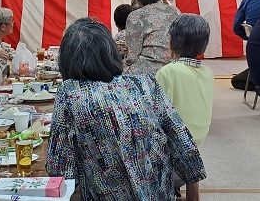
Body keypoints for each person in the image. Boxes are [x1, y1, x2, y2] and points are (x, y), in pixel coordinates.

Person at [46, 18, 206, 201]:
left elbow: (59, 167)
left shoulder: (70, 92)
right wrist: (193, 196)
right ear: (111, 52)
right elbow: (182, 140)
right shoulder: (145, 83)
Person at [156, 14, 214, 147]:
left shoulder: (168, 71)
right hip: (199, 137)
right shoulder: (208, 73)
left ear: (172, 41)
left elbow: (156, 112)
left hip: (174, 141)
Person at [124, 0, 180, 75]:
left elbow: (132, 55)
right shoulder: (175, 11)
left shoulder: (136, 16)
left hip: (148, 70)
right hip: (174, 67)